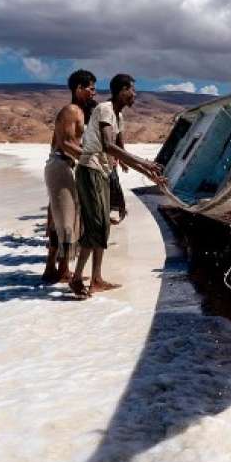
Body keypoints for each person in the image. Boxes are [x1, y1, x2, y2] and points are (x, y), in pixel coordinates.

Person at [69, 74, 165, 298]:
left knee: (103, 226)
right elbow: (108, 146)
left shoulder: (118, 116)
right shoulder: (104, 109)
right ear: (122, 90)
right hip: (90, 169)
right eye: (132, 90)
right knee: (96, 225)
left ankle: (96, 279)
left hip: (102, 171)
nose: (135, 95)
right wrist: (145, 163)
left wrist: (150, 174)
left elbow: (122, 156)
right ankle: (77, 278)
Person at [42, 69, 97, 283]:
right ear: (79, 88)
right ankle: (62, 270)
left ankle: (53, 269)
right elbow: (65, 143)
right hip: (61, 165)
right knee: (66, 220)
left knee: (64, 219)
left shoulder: (80, 112)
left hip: (68, 165)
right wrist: (91, 159)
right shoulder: (71, 110)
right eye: (90, 88)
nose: (93, 92)